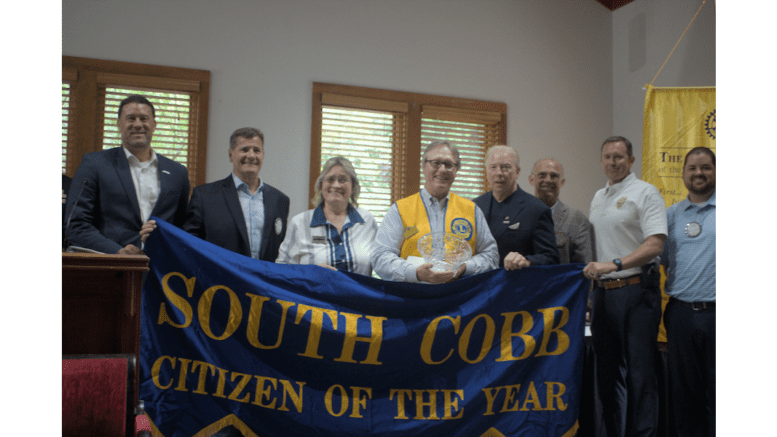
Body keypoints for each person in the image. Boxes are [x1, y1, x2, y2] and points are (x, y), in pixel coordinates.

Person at [582, 136, 668, 437]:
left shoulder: (646, 193)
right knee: (607, 375)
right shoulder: (598, 196)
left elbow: (656, 244)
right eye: (607, 157)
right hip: (605, 296)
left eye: (619, 157)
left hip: (637, 292)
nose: (612, 162)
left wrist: (615, 264)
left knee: (640, 376)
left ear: (631, 160)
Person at [65, 95, 190, 254]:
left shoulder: (177, 172)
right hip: (110, 267)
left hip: (161, 270)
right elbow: (76, 225)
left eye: (144, 119)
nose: (138, 124)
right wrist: (117, 252)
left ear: (154, 124)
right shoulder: (95, 164)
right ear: (119, 124)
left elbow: (182, 228)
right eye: (130, 118)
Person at [371, 140, 498, 283]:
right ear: (424, 167)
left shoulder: (472, 210)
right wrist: (415, 273)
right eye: (436, 163)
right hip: (413, 298)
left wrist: (465, 267)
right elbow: (380, 257)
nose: (443, 169)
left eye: (449, 165)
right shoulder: (400, 209)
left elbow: (491, 256)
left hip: (459, 298)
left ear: (456, 171)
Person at [660, 147, 716, 437]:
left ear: (716, 171)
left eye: (705, 167)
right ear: (683, 174)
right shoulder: (671, 215)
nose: (698, 173)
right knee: (684, 396)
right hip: (680, 313)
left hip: (718, 315)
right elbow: (664, 262)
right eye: (692, 168)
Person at [183, 127, 289, 262]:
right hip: (220, 280)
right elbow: (189, 244)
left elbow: (283, 250)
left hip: (264, 281)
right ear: (230, 155)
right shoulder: (205, 196)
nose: (251, 155)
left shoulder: (280, 200)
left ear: (263, 155)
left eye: (256, 150)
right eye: (244, 149)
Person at [276, 156, 377, 276]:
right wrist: (310, 272)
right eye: (330, 179)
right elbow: (281, 267)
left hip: (359, 295)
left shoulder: (367, 221)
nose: (336, 185)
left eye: (343, 180)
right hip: (312, 294)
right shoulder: (299, 223)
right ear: (321, 185)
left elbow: (383, 263)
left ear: (353, 186)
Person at [473, 145, 558, 270]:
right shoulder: (474, 206)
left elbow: (551, 258)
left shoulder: (537, 209)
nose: (499, 173)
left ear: (517, 172)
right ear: (486, 172)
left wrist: (527, 261)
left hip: (516, 284)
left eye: (505, 167)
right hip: (481, 285)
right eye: (493, 167)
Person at [528, 158, 594, 265]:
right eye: (542, 175)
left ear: (562, 182)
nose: (548, 180)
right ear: (531, 180)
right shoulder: (520, 215)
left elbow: (584, 267)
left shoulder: (577, 219)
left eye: (554, 176)